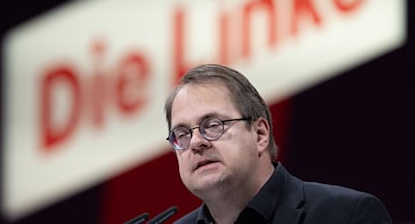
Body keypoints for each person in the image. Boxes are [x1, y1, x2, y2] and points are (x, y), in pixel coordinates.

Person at [164, 63, 392, 224]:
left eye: (213, 125)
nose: (195, 142)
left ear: (260, 134)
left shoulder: (347, 215)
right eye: (182, 134)